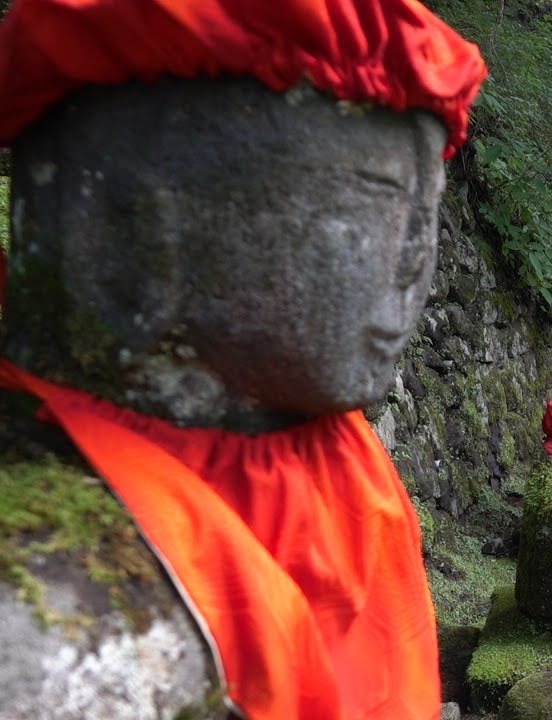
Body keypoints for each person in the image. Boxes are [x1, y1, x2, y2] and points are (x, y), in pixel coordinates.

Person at [0, 1, 486, 717]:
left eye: (425, 218)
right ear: (125, 240)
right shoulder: (55, 613)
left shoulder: (344, 470)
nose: (416, 264)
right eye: (369, 210)